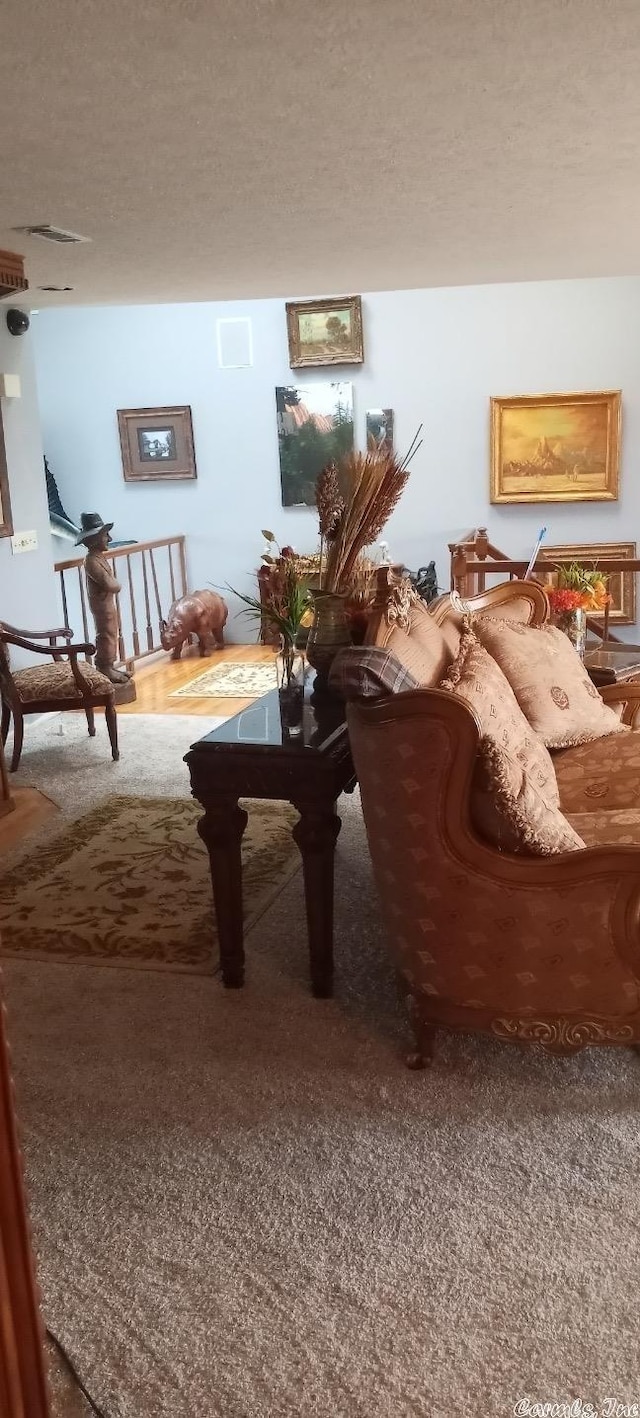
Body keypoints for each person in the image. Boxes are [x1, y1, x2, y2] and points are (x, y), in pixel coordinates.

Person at [75, 512, 132, 684]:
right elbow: (110, 584)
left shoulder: (99, 558)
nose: (109, 538)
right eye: (105, 535)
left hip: (107, 604)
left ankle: (110, 665)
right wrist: (117, 584)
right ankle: (104, 667)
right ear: (93, 539)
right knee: (106, 634)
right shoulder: (91, 561)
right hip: (102, 606)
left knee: (111, 633)